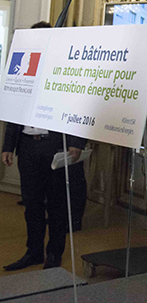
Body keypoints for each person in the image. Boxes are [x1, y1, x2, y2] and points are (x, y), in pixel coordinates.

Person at [2, 21, 88, 271]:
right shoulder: (22, 68)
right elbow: (13, 108)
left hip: (56, 147)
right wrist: (8, 145)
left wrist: (76, 143)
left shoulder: (66, 70)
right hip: (27, 147)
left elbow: (79, 105)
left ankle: (54, 255)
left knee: (58, 205)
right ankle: (34, 252)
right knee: (32, 204)